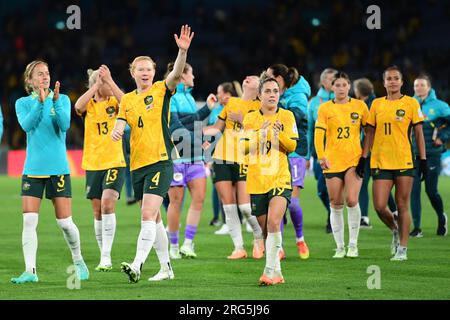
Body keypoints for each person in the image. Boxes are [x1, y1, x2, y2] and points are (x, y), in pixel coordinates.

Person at [111, 25, 194, 283]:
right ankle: (166, 268)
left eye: (149, 68)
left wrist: (182, 52)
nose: (145, 72)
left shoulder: (161, 89)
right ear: (133, 72)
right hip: (137, 165)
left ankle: (137, 265)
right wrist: (117, 128)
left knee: (147, 214)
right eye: (141, 69)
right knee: (154, 218)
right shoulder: (127, 100)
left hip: (160, 160)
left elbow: (177, 73)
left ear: (154, 72)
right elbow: (121, 122)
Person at [11, 60, 89, 284]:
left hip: (58, 169)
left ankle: (79, 260)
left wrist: (53, 102)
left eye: (46, 73)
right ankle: (30, 271)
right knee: (28, 222)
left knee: (65, 223)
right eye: (39, 74)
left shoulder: (62, 99)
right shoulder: (23, 103)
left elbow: (64, 125)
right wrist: (41, 104)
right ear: (30, 80)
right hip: (33, 169)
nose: (45, 77)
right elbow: (27, 125)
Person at [363, 66, 426, 261]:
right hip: (380, 160)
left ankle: (403, 249)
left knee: (402, 205)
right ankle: (395, 229)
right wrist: (364, 157)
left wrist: (422, 159)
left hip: (404, 160)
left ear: (401, 82)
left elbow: (418, 134)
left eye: (395, 78)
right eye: (388, 78)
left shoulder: (411, 103)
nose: (392, 81)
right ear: (383, 83)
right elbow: (370, 133)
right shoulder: (376, 104)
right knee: (380, 206)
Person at [242, 77, 298, 285]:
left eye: (275, 91)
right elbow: (244, 147)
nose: (272, 94)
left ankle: (267, 272)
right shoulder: (250, 119)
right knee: (266, 230)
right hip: (257, 179)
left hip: (280, 177)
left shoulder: (287, 116)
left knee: (275, 222)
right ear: (259, 95)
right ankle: (278, 273)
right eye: (268, 91)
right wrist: (262, 134)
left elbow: (291, 146)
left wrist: (278, 134)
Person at [203, 75, 265, 260]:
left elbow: (263, 132)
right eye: (246, 77)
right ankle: (238, 248)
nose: (247, 78)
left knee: (245, 207)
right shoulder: (232, 102)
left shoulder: (259, 106)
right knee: (228, 206)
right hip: (222, 157)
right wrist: (197, 133)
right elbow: (217, 127)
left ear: (259, 85)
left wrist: (243, 119)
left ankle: (259, 238)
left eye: (253, 78)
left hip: (245, 158)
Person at [74, 65, 125, 271]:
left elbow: (128, 102)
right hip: (93, 163)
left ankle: (106, 256)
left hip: (114, 160)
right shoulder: (90, 105)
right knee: (97, 211)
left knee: (107, 204)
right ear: (97, 84)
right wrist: (95, 86)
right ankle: (103, 253)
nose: (109, 87)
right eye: (104, 82)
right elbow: (77, 106)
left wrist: (110, 80)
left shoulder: (116, 101)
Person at [314, 72, 369, 258]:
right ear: (332, 87)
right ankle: (339, 246)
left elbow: (369, 131)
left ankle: (353, 245)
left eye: (344, 85)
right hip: (332, 160)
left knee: (352, 200)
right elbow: (318, 134)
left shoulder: (360, 106)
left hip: (353, 160)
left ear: (349, 86)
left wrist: (365, 156)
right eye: (337, 85)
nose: (340, 88)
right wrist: (321, 156)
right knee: (335, 203)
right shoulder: (325, 109)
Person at [165, 62, 215, 259]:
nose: (194, 77)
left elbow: (192, 122)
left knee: (199, 198)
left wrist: (207, 109)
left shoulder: (190, 98)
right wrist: (198, 139)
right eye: (191, 73)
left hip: (195, 156)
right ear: (182, 76)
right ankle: (174, 246)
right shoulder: (171, 97)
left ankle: (188, 244)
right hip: (178, 157)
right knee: (175, 202)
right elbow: (175, 125)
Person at [266, 64, 311, 259]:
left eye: (269, 76)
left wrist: (277, 108)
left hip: (295, 151)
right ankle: (279, 247)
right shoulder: (278, 95)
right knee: (277, 202)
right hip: (275, 154)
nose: (266, 80)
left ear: (279, 78)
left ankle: (300, 239)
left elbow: (297, 117)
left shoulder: (298, 96)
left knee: (291, 202)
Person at [353, 78, 398, 228]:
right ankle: (395, 211)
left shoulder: (365, 106)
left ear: (358, 92)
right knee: (383, 184)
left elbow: (368, 131)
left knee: (364, 183)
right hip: (381, 150)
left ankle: (364, 218)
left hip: (370, 151)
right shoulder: (380, 102)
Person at [410, 74, 449, 237]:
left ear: (429, 87)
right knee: (414, 190)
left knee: (431, 191)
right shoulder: (409, 104)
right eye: (416, 85)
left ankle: (441, 218)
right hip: (413, 154)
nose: (418, 88)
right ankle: (417, 227)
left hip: (432, 153)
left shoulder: (440, 106)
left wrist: (443, 138)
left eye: (422, 85)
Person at [308, 68, 337, 233]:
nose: (334, 83)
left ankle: (333, 218)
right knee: (321, 190)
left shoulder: (343, 101)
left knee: (334, 188)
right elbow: (310, 130)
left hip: (339, 152)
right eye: (331, 80)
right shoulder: (314, 103)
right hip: (319, 152)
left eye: (336, 80)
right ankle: (332, 212)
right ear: (323, 82)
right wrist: (307, 154)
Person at [207, 82, 235, 231]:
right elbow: (213, 134)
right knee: (219, 188)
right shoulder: (217, 109)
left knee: (238, 189)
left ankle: (244, 219)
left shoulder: (237, 108)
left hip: (235, 154)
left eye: (219, 92)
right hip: (218, 154)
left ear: (227, 94)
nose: (217, 95)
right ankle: (222, 220)